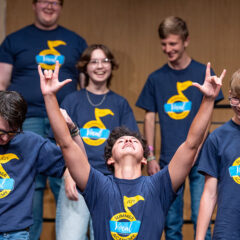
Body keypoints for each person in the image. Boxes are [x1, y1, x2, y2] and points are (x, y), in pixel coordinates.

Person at [39, 56, 225, 238]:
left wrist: (208, 100)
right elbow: (66, 143)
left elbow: (191, 145)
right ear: (110, 159)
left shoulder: (159, 185)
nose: (128, 140)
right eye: (121, 141)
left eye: (134, 141)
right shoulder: (99, 186)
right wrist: (49, 96)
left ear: (144, 158)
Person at [0, 0, 87, 239]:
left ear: (61, 6)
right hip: (22, 120)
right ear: (34, 4)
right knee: (27, 182)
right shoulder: (14, 40)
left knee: (66, 178)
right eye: (44, 1)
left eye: (55, 2)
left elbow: (83, 86)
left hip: (61, 114)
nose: (49, 6)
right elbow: (1, 83)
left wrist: (74, 121)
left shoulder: (76, 41)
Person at [135, 16, 224, 239]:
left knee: (201, 215)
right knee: (171, 222)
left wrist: (196, 149)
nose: (168, 49)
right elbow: (149, 118)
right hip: (167, 159)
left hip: (201, 159)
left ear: (186, 41)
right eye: (164, 44)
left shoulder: (202, 73)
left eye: (173, 44)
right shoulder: (156, 78)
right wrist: (151, 156)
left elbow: (208, 116)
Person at [52, 44, 139, 240]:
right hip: (77, 180)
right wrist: (68, 173)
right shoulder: (71, 100)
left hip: (111, 184)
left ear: (111, 66)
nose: (100, 66)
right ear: (85, 67)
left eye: (105, 61)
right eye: (94, 62)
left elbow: (132, 144)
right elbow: (59, 141)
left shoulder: (121, 104)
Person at [0, 90, 66, 240]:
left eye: (11, 133)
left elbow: (68, 166)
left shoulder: (32, 143)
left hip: (16, 233)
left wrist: (71, 131)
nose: (4, 138)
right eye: (0, 132)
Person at [196, 69, 240, 239]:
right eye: (236, 98)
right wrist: (199, 238)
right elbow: (209, 193)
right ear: (229, 94)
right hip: (227, 230)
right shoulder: (217, 138)